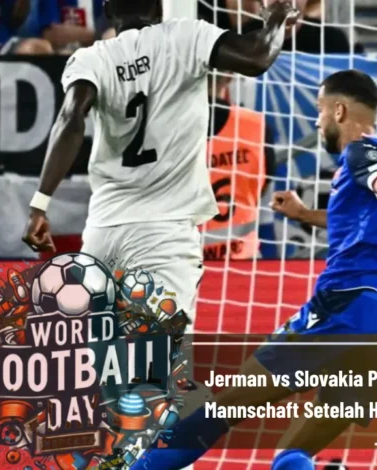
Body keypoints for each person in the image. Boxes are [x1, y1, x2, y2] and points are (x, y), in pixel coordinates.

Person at [135, 70, 377, 470]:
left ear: (339, 111)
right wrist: (304, 214)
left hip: (349, 310)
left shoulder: (362, 152)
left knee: (226, 407)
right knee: (295, 454)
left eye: (320, 110)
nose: (317, 122)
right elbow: (365, 217)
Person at [21, 0, 299, 327]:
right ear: (159, 9)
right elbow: (256, 58)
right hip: (163, 231)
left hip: (103, 230)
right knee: (159, 353)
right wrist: (276, 20)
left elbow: (70, 120)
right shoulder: (187, 37)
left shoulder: (91, 58)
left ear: (107, 10)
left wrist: (40, 204)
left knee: (106, 350)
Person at [203, 72, 277, 260]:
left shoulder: (163, 129)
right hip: (244, 262)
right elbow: (263, 187)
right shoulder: (256, 126)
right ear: (229, 76)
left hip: (181, 265)